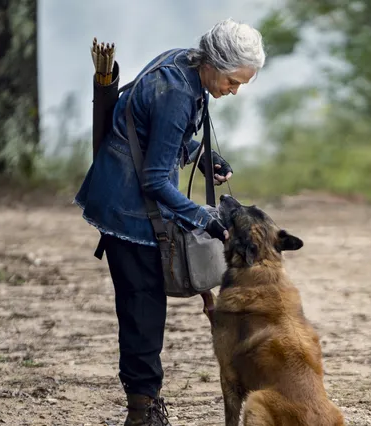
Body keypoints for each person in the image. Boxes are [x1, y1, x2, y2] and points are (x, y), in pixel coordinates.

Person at [74, 18, 266, 426]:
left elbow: (157, 133)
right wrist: (208, 222)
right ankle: (142, 413)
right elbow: (156, 179)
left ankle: (145, 405)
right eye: (234, 82)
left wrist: (200, 154)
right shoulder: (178, 90)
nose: (233, 91)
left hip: (132, 201)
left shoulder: (183, 64)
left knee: (145, 305)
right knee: (143, 309)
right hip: (127, 209)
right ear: (214, 63)